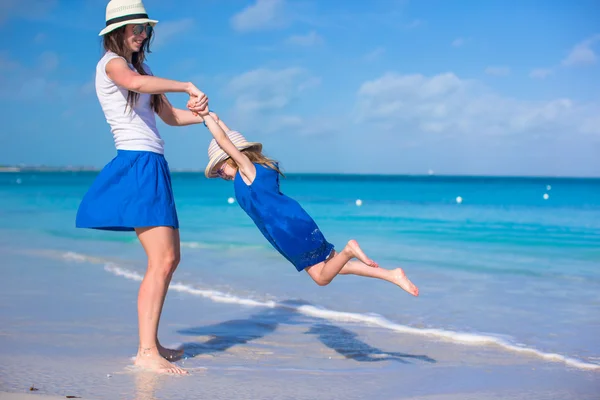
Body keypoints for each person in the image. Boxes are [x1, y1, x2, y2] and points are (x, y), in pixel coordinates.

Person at [76, 0, 209, 375]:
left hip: (153, 164)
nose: (143, 34)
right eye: (137, 28)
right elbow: (134, 85)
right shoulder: (112, 64)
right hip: (136, 164)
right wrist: (185, 84)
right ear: (117, 31)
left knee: (170, 259)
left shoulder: (142, 68)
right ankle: (146, 350)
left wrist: (205, 115)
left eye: (146, 29)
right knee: (162, 260)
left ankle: (151, 343)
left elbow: (167, 116)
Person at [190, 107, 419, 297]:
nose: (222, 176)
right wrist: (217, 119)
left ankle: (349, 250)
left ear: (231, 157)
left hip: (285, 229)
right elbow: (230, 138)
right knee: (334, 265)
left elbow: (224, 140)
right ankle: (391, 274)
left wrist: (205, 117)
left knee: (321, 277)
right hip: (297, 219)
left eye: (220, 170)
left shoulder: (246, 170)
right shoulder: (261, 168)